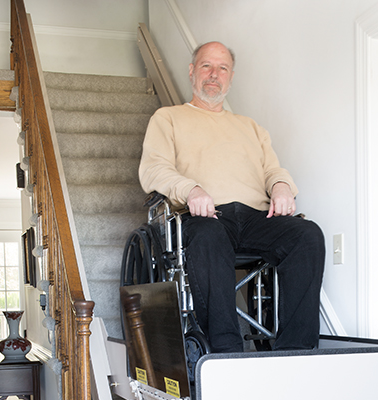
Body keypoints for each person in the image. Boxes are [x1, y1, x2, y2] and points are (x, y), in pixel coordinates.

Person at [138, 41, 325, 353]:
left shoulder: (251, 127)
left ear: (231, 76)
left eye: (222, 68)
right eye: (206, 66)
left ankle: (297, 350)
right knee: (208, 237)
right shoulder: (167, 117)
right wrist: (191, 189)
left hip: (255, 217)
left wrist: (281, 186)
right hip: (205, 216)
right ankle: (226, 351)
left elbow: (272, 170)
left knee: (307, 236)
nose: (214, 74)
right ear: (192, 72)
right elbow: (153, 169)